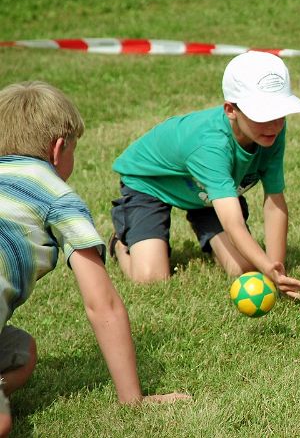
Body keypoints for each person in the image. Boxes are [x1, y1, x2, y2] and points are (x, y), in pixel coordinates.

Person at [0, 82, 189, 436]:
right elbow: (102, 304)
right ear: (59, 149)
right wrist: (133, 400)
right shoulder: (57, 195)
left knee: (20, 353)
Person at [109, 51, 300, 295]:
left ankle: (201, 220)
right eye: (263, 114)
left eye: (279, 113)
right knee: (151, 278)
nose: (274, 124)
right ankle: (120, 244)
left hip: (207, 196)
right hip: (151, 184)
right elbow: (233, 223)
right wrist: (268, 268)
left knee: (243, 268)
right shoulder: (210, 146)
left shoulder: (272, 130)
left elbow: (274, 201)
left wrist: (277, 272)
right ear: (230, 110)